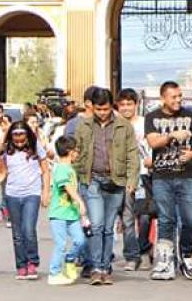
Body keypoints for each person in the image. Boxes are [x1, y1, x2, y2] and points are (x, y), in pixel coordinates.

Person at [72, 87, 140, 285]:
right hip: (92, 180)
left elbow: (132, 155)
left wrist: (132, 182)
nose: (102, 113)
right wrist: (75, 180)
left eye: (106, 109)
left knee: (109, 228)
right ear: (92, 107)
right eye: (98, 109)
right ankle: (95, 267)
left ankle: (105, 267)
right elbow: (77, 153)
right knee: (97, 225)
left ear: (112, 106)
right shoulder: (83, 126)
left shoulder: (124, 126)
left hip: (116, 182)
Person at [144, 81, 192, 280]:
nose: (178, 100)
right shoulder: (152, 117)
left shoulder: (191, 116)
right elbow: (153, 142)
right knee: (166, 220)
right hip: (162, 176)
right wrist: (172, 135)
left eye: (180, 96)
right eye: (174, 97)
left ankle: (186, 254)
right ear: (163, 98)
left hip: (187, 175)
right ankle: (165, 261)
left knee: (191, 219)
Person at [0, 119, 51, 280]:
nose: (19, 142)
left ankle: (32, 262)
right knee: (17, 233)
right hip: (12, 194)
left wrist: (46, 191)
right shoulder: (6, 151)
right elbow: (2, 173)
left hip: (31, 194)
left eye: (23, 138)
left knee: (28, 229)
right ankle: (21, 265)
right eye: (16, 138)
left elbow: (45, 171)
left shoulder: (36, 148)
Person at [116, 88, 152, 272]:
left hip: (144, 175)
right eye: (122, 105)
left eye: (129, 104)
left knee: (144, 217)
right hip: (123, 177)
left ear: (136, 105)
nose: (126, 108)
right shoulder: (115, 125)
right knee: (127, 218)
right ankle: (131, 256)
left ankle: (144, 250)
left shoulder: (146, 124)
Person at [46, 136, 90, 286]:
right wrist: (79, 201)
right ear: (70, 152)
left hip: (72, 214)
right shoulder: (60, 169)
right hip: (58, 214)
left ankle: (70, 259)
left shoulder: (71, 169)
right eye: (76, 150)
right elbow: (67, 187)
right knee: (61, 244)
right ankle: (54, 272)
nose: (78, 153)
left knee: (80, 240)